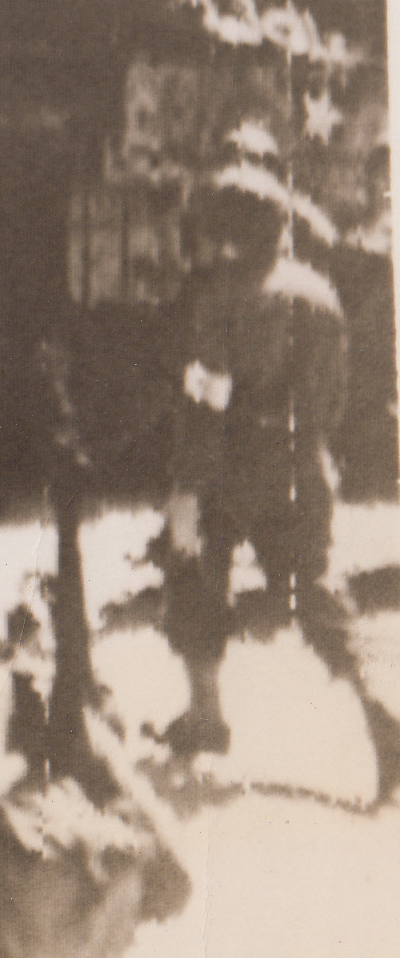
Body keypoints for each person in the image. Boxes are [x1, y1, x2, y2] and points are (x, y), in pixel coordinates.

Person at [155, 160, 350, 757]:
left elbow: (206, 397)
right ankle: (381, 716)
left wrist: (187, 488)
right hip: (305, 462)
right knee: (315, 589)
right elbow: (337, 394)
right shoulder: (319, 292)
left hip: (230, 466)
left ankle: (205, 713)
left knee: (192, 575)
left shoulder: (221, 298)